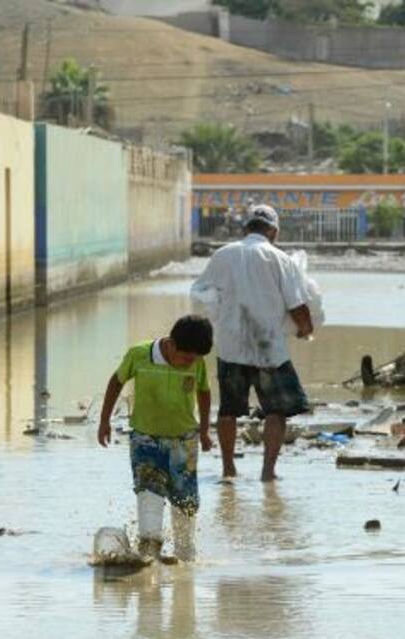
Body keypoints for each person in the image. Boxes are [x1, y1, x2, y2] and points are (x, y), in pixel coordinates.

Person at [191, 204, 314, 483]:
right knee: (276, 411)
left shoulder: (223, 255)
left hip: (230, 345)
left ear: (246, 228)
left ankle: (228, 469)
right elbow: (297, 304)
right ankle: (268, 472)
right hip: (269, 349)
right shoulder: (281, 259)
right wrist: (306, 329)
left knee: (228, 410)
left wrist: (216, 320)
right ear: (273, 231)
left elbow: (199, 293)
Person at [97, 315, 214, 562]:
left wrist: (204, 430)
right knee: (149, 491)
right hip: (145, 439)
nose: (188, 363)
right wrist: (104, 420)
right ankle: (149, 554)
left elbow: (204, 392)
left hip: (184, 441)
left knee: (186, 501)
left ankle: (185, 556)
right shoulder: (139, 355)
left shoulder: (197, 362)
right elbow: (116, 382)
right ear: (171, 344)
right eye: (185, 358)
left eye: (193, 359)